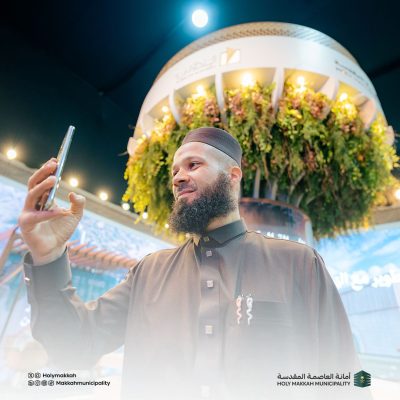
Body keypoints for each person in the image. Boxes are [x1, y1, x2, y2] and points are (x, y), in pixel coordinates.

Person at [19, 127, 369, 400]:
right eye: (174, 171)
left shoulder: (298, 264)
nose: (177, 177)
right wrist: (48, 256)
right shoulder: (148, 272)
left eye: (193, 165)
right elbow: (72, 345)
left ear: (233, 176)